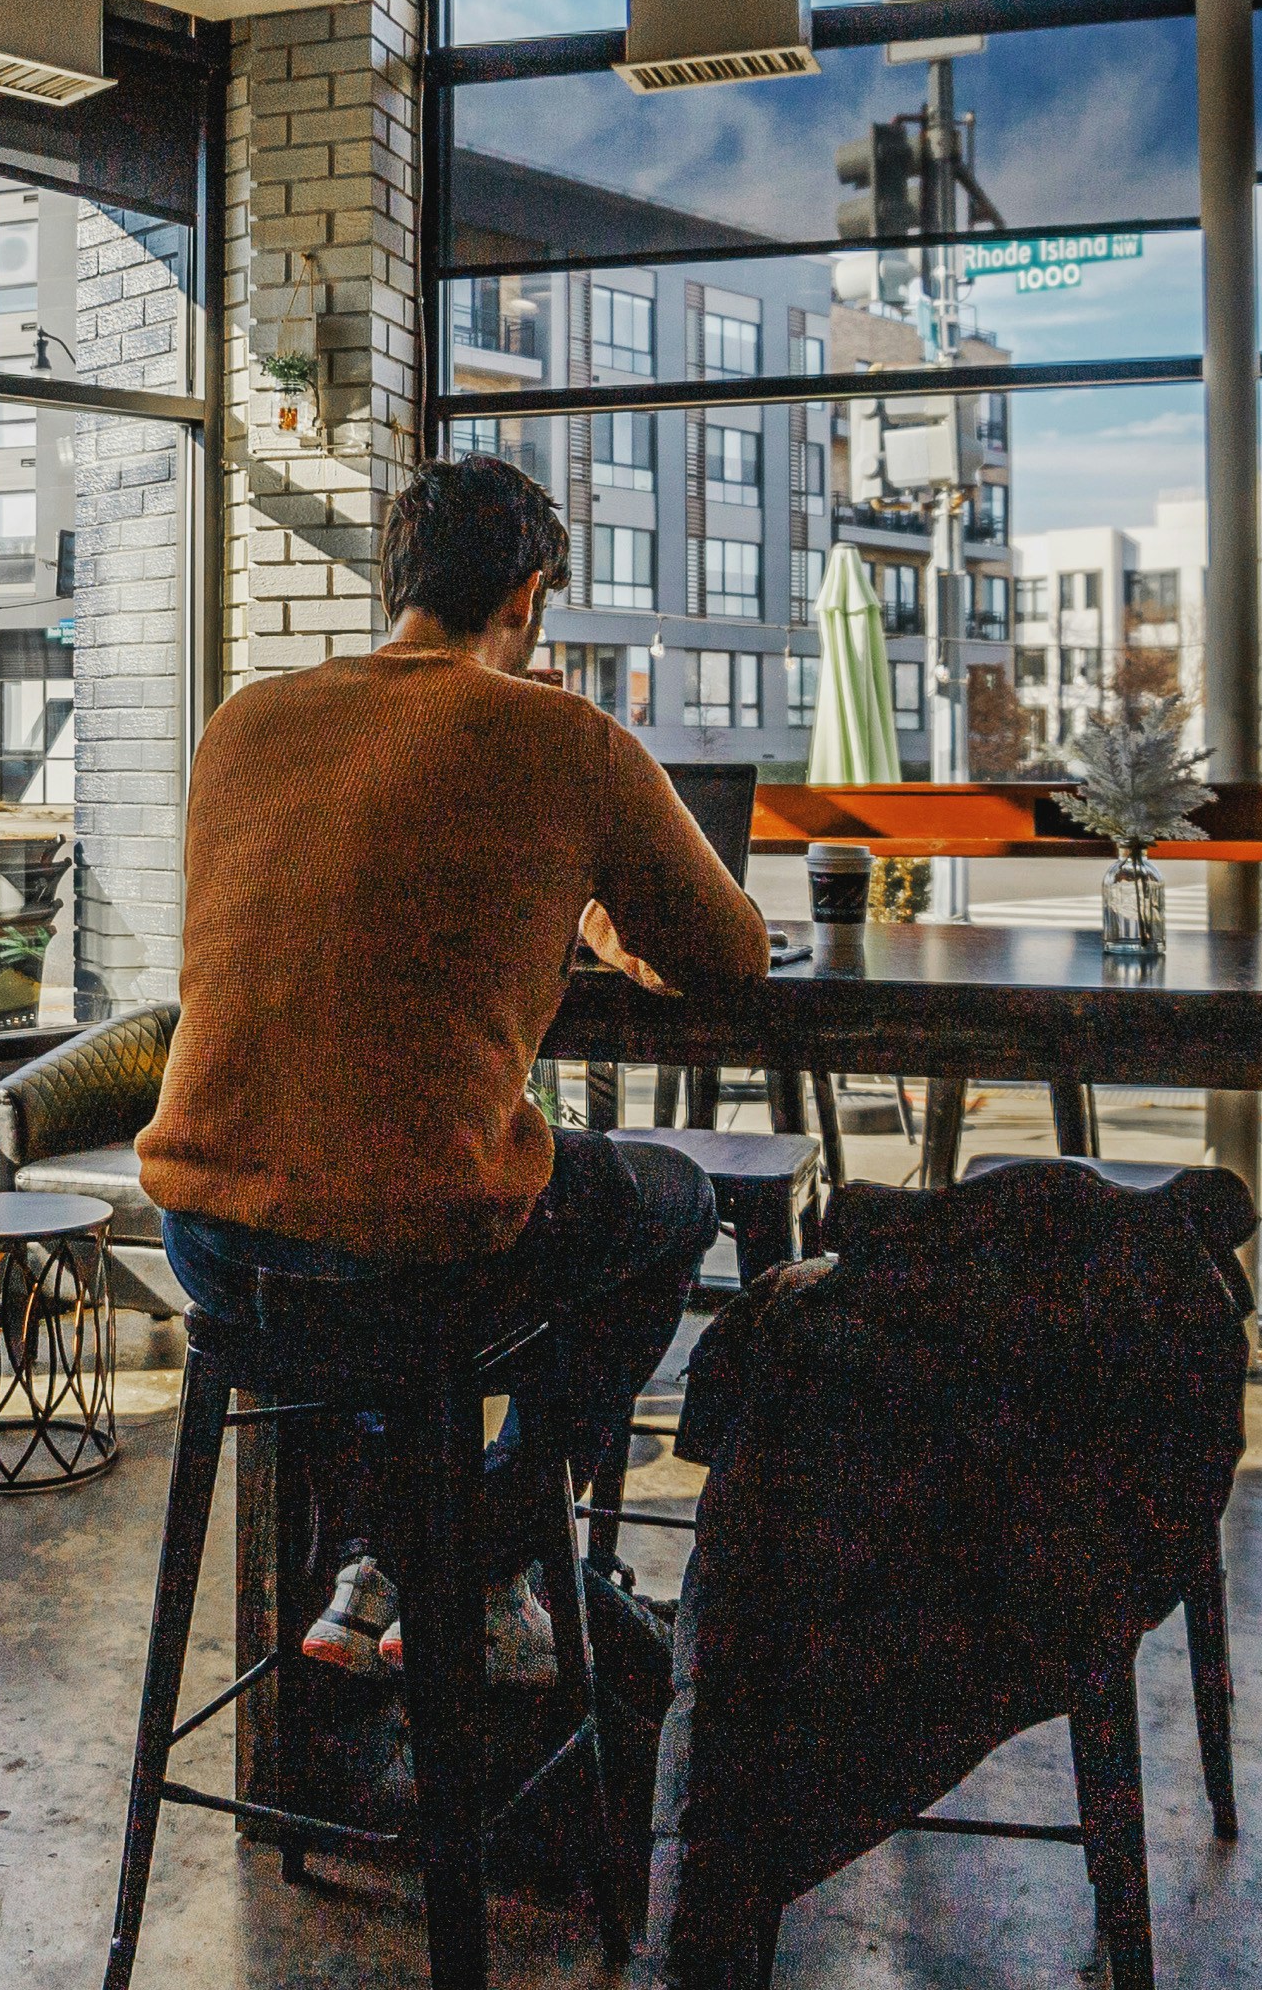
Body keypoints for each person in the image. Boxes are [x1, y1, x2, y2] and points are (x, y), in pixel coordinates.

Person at [135, 453, 771, 1679]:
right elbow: (730, 955)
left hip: (206, 1238)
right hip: (402, 1246)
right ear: (527, 598)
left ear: (397, 579)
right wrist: (607, 922)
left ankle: (375, 1558)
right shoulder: (563, 737)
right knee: (674, 1202)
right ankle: (481, 1559)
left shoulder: (243, 721)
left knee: (382, 1240)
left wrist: (569, 904)